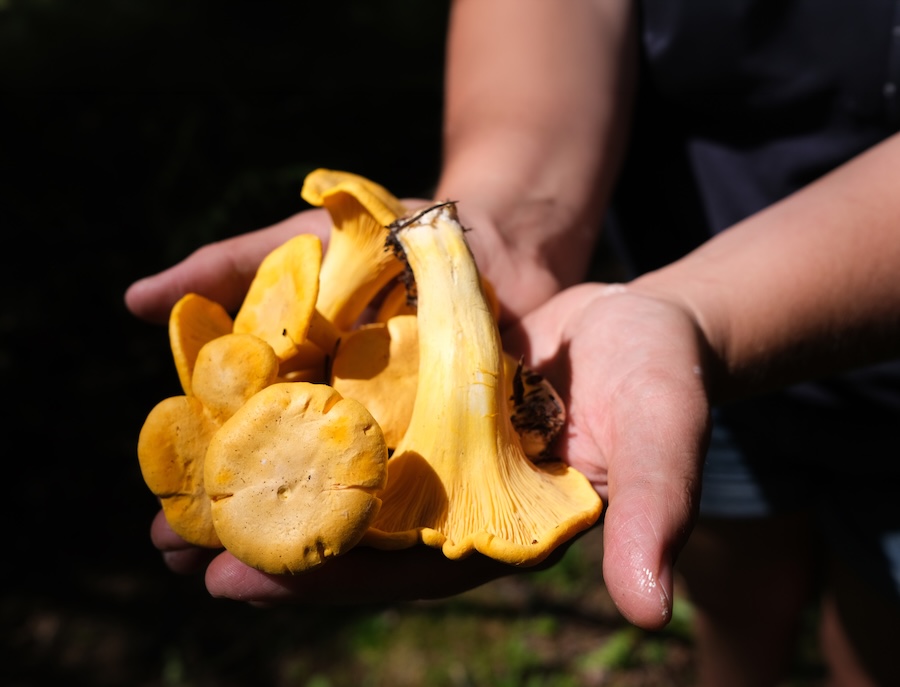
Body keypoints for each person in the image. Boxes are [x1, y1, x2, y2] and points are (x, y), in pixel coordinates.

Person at [126, 1, 900, 684]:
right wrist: (502, 220)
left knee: (881, 617)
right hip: (691, 332)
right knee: (734, 587)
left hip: (879, 372)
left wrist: (692, 313)